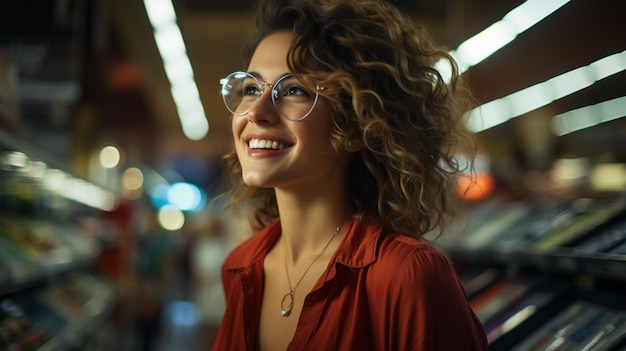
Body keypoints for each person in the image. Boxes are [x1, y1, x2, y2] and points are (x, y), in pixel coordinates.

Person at [213, 0, 488, 350]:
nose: (256, 112)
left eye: (295, 90)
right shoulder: (240, 268)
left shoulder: (408, 276)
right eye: (251, 88)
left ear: (357, 126)